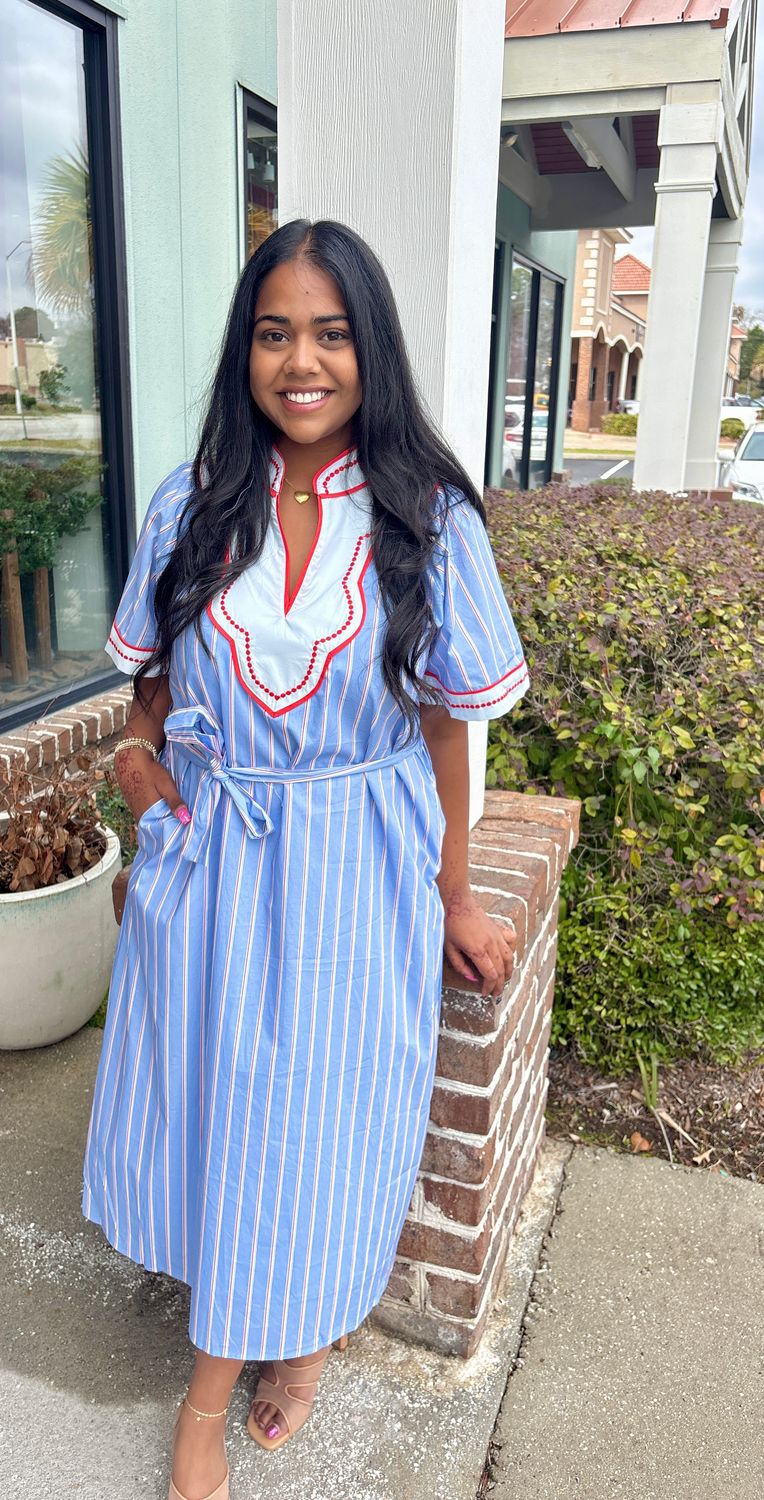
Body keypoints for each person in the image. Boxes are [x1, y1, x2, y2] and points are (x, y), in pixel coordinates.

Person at [82, 219, 528, 1500]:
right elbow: (148, 687)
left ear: (368, 349)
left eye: (331, 333)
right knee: (224, 1114)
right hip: (212, 860)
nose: (302, 361)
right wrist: (139, 767)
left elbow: (448, 723)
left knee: (320, 1127)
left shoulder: (427, 518)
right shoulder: (192, 500)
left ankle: (232, 1384)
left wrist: (451, 893)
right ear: (246, 349)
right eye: (275, 331)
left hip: (354, 871)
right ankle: (271, 1336)